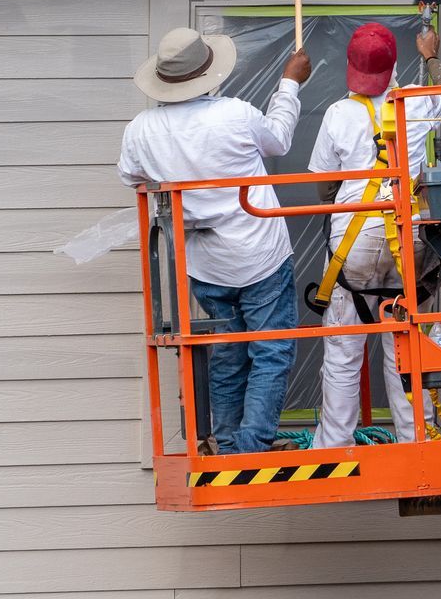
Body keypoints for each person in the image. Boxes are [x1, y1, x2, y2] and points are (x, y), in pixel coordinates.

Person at [119, 26, 311, 456]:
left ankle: (228, 446)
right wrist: (290, 84)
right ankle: (252, 447)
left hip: (202, 259)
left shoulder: (140, 129)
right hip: (259, 251)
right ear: (209, 72)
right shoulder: (234, 114)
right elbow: (279, 139)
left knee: (225, 354)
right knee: (271, 352)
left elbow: (131, 176)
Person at [308, 21, 441, 447]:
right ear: (393, 64)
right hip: (409, 243)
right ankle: (417, 441)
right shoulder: (415, 101)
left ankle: (334, 445)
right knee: (407, 346)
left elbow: (323, 187)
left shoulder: (339, 113)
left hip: (351, 246)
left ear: (351, 68)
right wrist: (430, 54)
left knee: (343, 349)